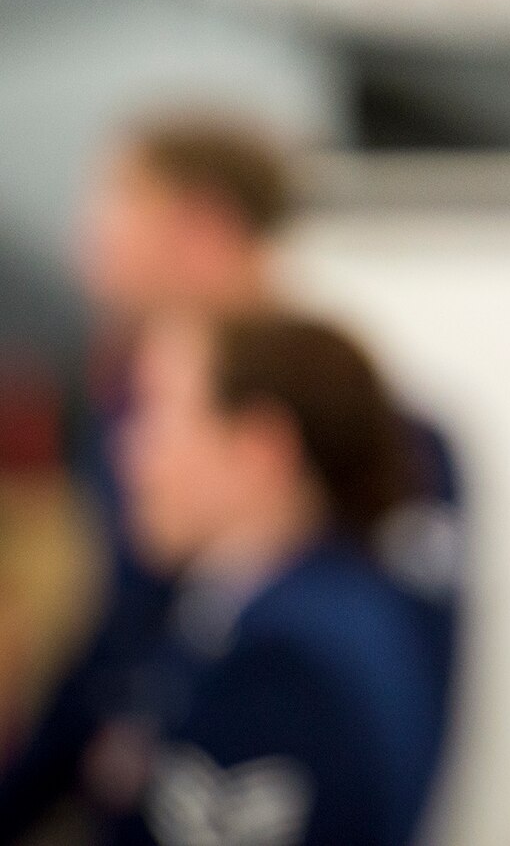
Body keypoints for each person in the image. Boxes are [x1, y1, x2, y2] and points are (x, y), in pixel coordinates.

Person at [0, 115, 462, 844]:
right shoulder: (240, 591)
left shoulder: (302, 628)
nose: (88, 249)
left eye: (114, 212)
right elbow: (111, 663)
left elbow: (413, 688)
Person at [93, 309, 443, 846]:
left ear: (259, 449)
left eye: (156, 414)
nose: (127, 450)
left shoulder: (284, 662)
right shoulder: (333, 606)